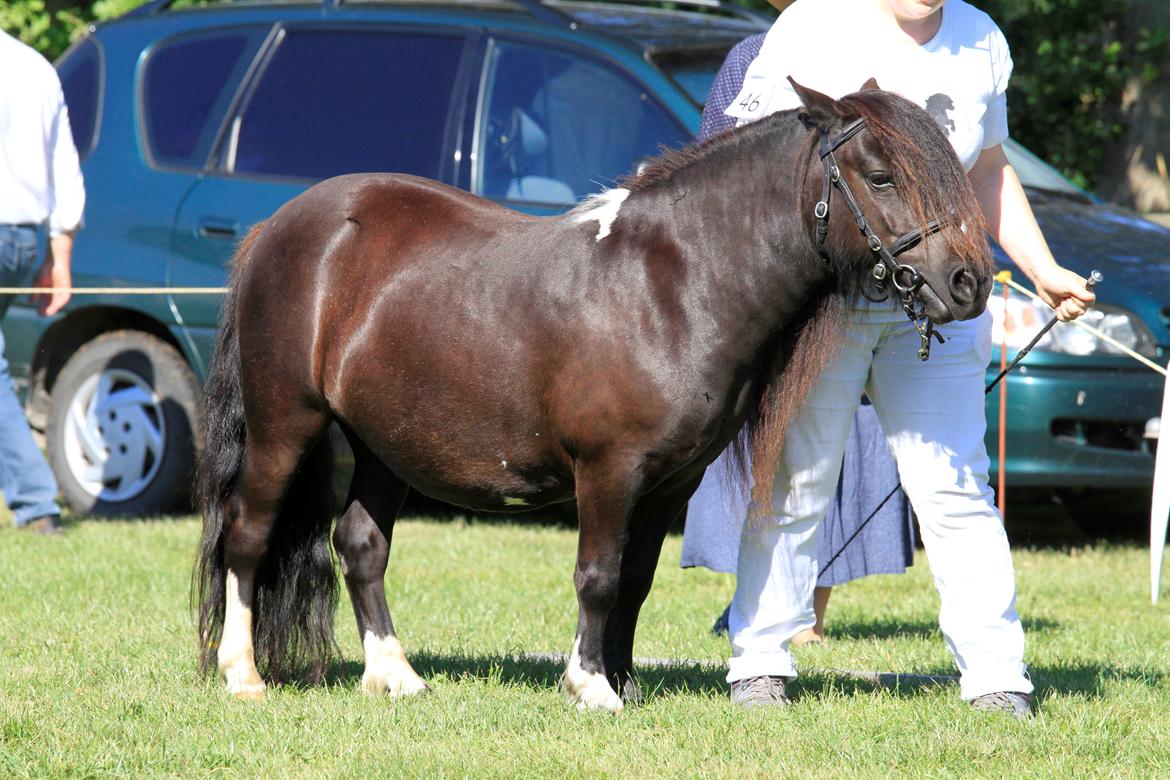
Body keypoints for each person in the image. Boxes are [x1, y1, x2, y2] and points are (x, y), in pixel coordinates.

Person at [708, 0, 1094, 718]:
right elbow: (749, 156)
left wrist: (1043, 270)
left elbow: (987, 168)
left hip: (939, 305)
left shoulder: (981, 38)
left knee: (956, 488)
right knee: (797, 482)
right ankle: (758, 662)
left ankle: (996, 676)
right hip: (829, 302)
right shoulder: (812, 25)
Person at [685, 32, 918, 649]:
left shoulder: (885, 45)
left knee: (833, 440)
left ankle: (809, 611)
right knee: (773, 436)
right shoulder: (751, 54)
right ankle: (759, 600)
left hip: (855, 273)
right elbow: (711, 151)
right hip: (765, 275)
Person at [0, 29, 84, 534]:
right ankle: (35, 501)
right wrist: (60, 256)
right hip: (23, 240)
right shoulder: (34, 65)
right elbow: (64, 166)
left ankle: (34, 500)